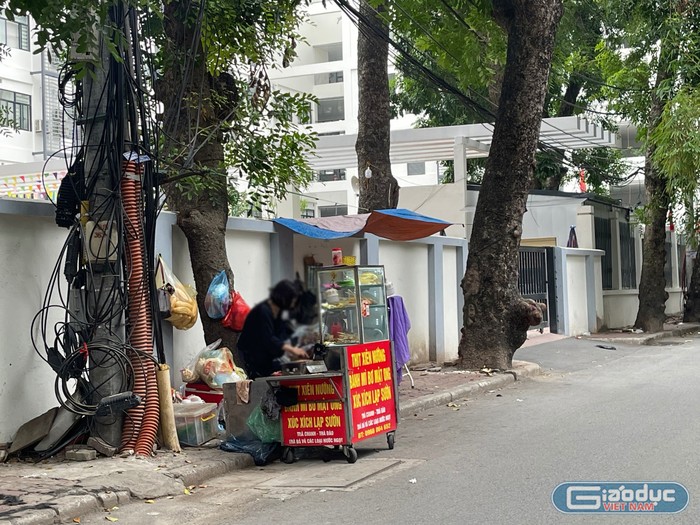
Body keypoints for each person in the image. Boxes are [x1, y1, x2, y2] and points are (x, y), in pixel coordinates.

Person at [237, 279, 309, 379]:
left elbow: (280, 336)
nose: (293, 304)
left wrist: (293, 349)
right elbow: (268, 338)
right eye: (292, 301)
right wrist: (291, 349)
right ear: (284, 298)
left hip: (265, 358)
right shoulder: (263, 311)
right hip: (252, 360)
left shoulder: (277, 312)